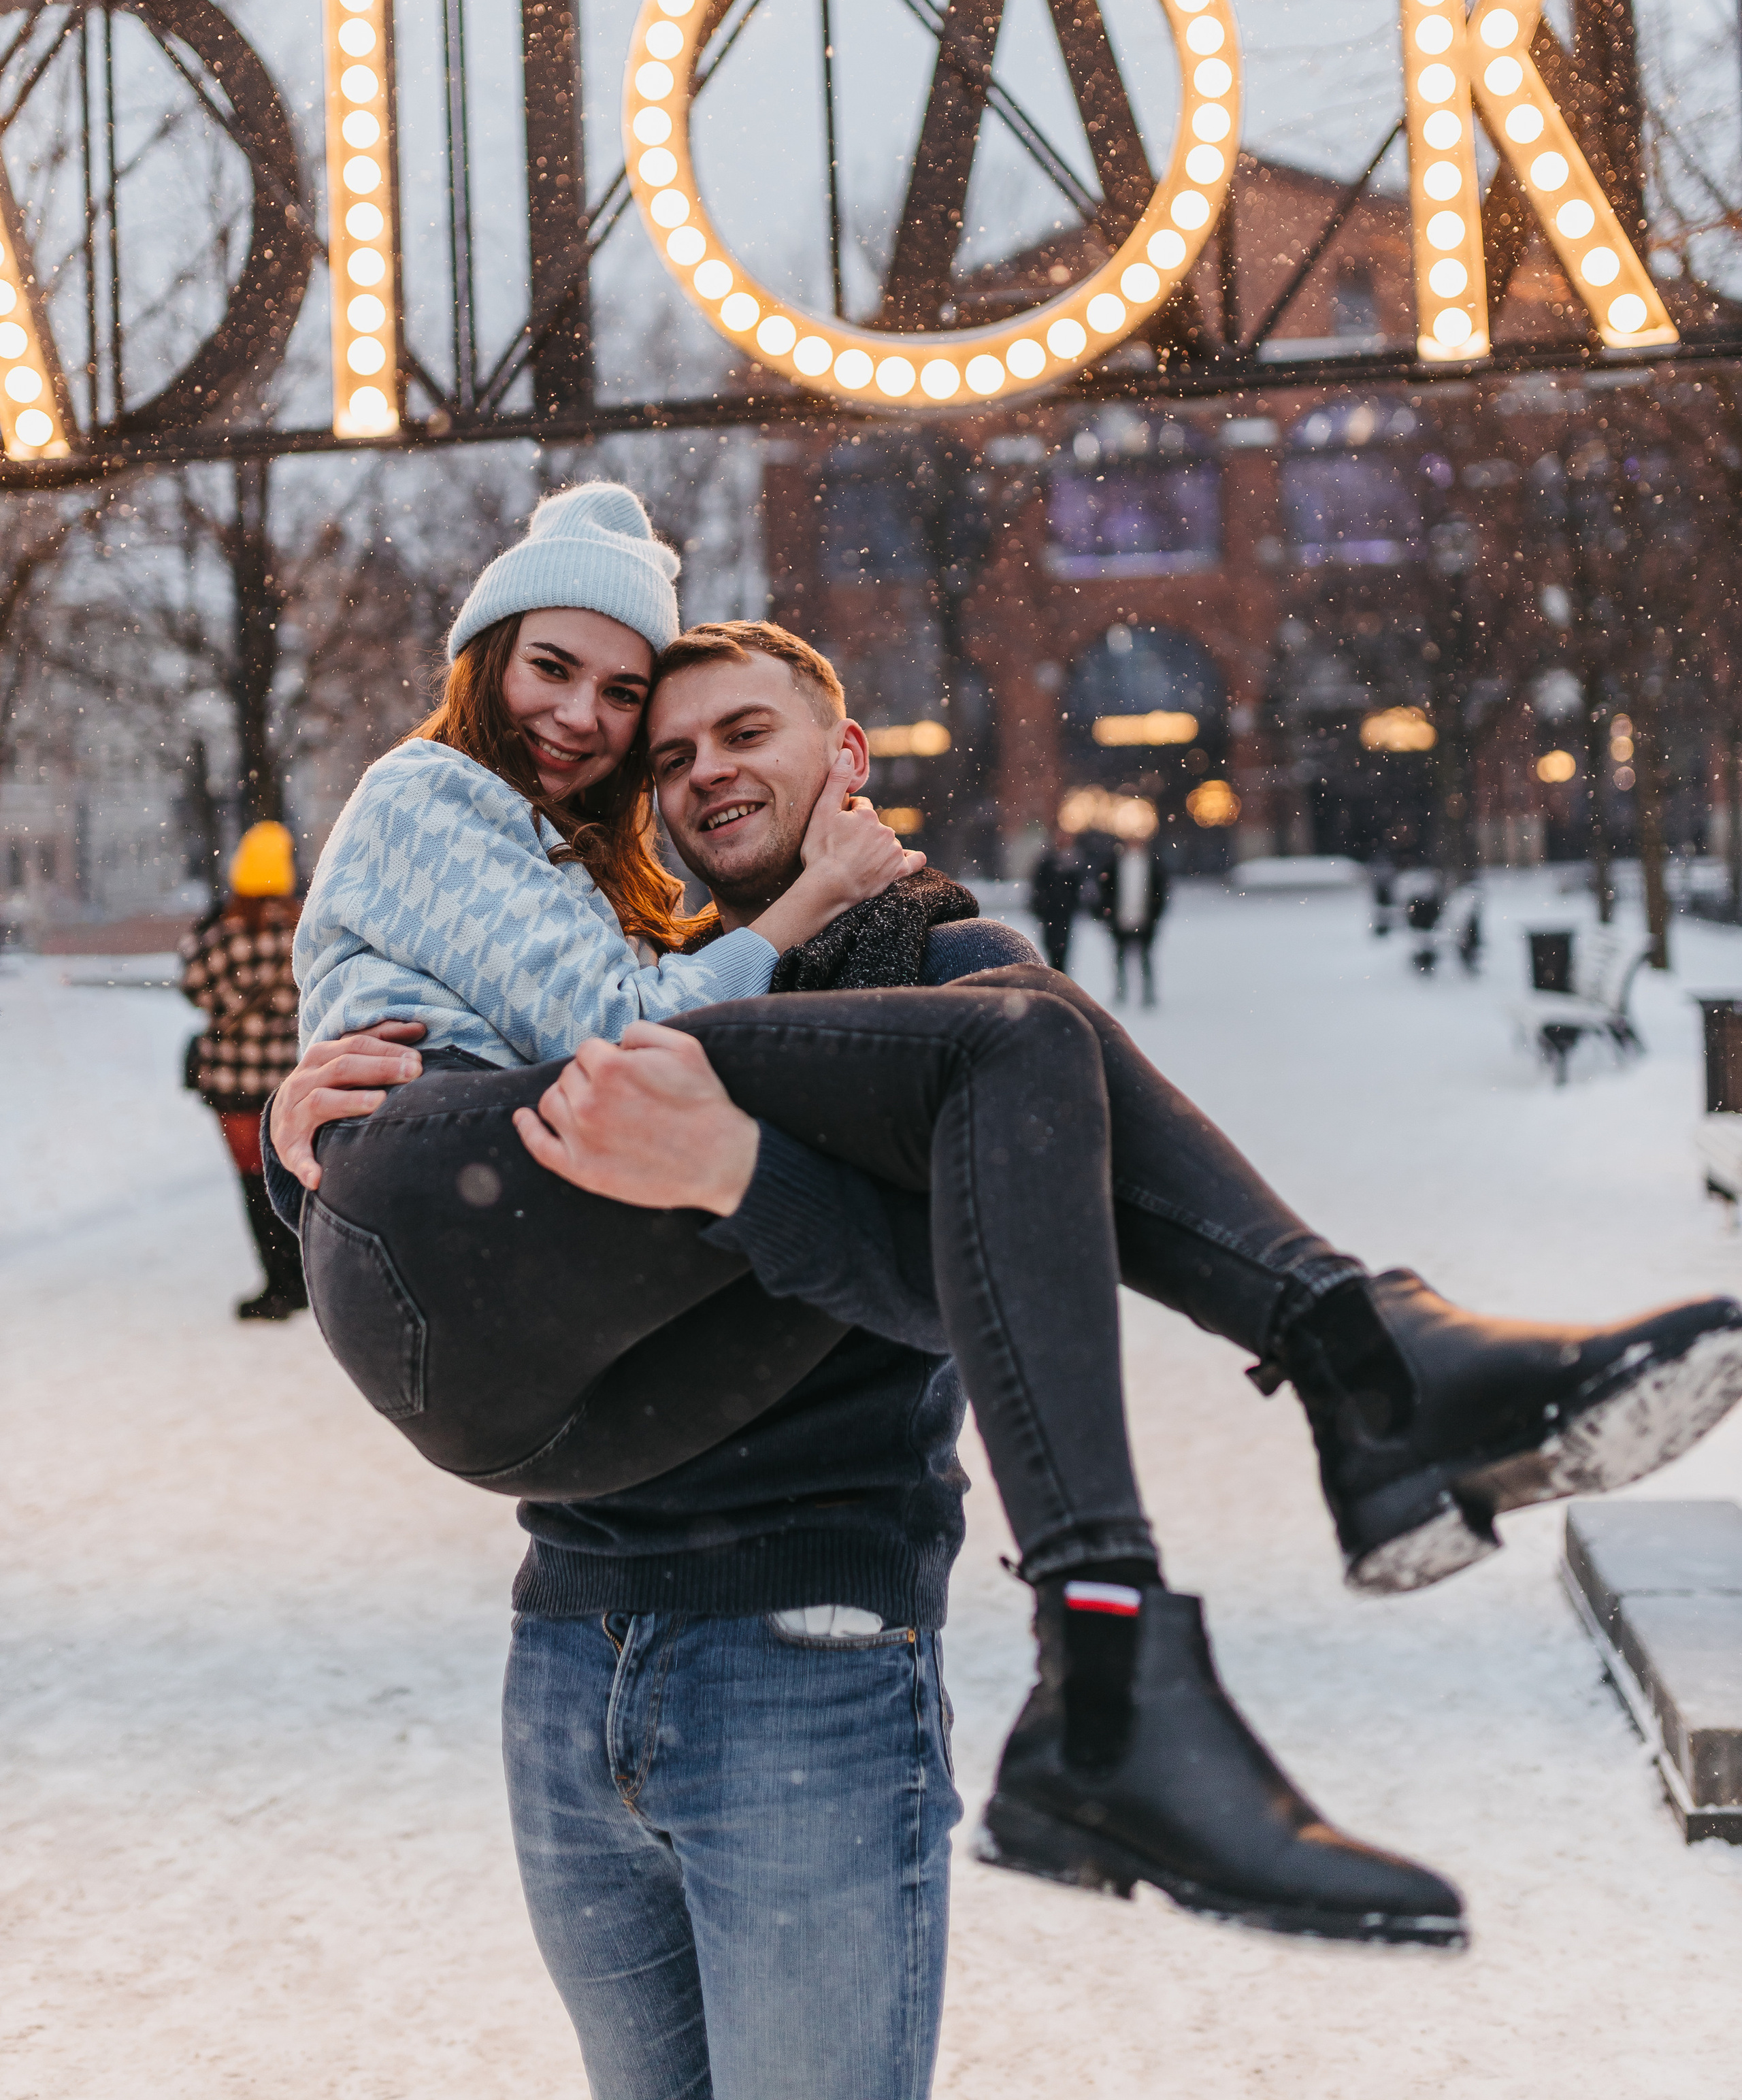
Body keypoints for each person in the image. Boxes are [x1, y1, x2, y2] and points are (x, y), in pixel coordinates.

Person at [267, 525, 1742, 2003]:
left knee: (1022, 1036)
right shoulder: (667, 970)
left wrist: (741, 1179)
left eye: (742, 733)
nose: (693, 767)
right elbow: (483, 1089)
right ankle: (1347, 1399)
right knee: (1031, 1047)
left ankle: (1230, 1527)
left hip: (753, 1594)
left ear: (848, 758)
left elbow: (954, 1289)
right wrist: (300, 1143)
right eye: (668, 755)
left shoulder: (938, 964)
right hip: (576, 1609)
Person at [178, 819, 307, 1321]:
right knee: (290, 1176)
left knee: (254, 1183)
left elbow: (193, 988)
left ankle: (278, 1284)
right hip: (286, 1078)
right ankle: (302, 1276)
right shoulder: (302, 930)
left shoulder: (221, 937)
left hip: (233, 1080)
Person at [1104, 825, 1168, 1008]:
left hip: (1145, 919)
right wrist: (1108, 914)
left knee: (1145, 958)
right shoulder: (1115, 864)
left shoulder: (1152, 864)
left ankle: (1148, 992)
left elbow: (1161, 892)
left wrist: (1155, 915)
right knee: (1120, 957)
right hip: (1120, 919)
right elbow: (1106, 891)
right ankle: (1121, 990)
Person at [1028, 828, 1085, 971]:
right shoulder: (1048, 861)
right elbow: (1039, 886)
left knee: (1062, 952)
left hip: (1063, 915)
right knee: (1050, 950)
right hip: (1050, 914)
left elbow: (1077, 889)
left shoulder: (1072, 862)